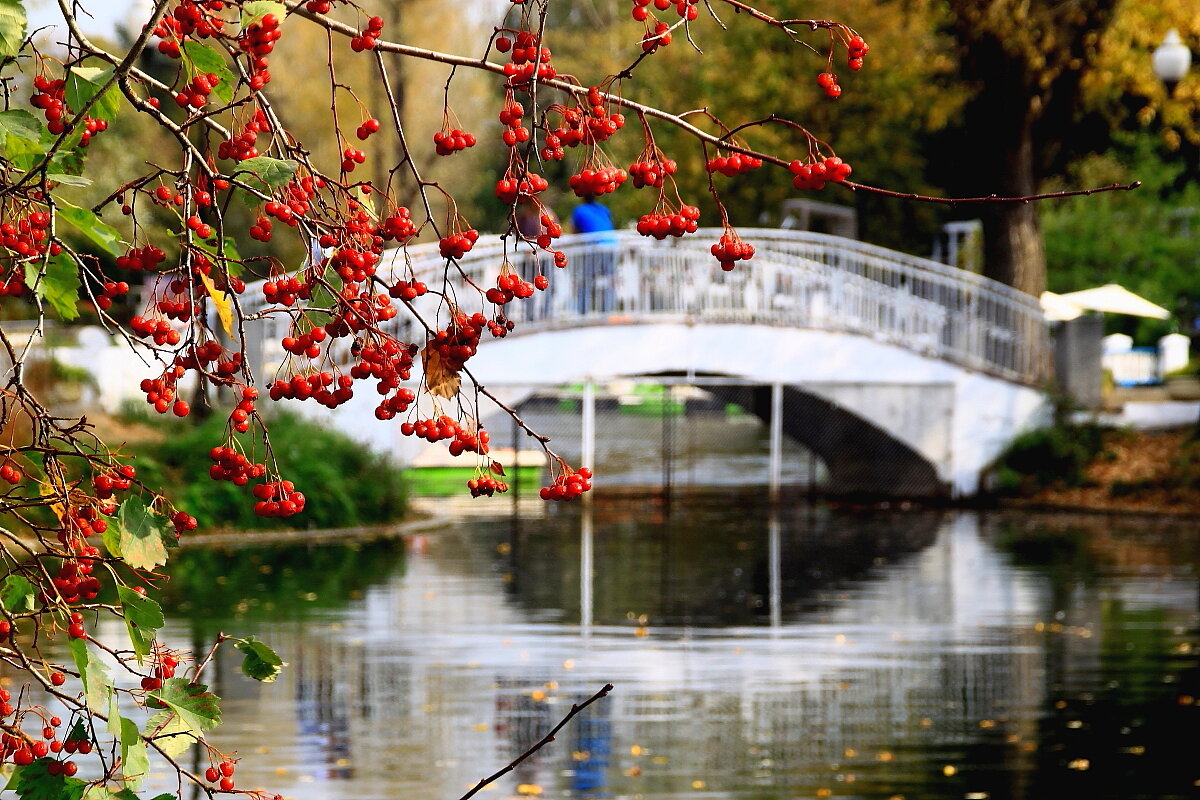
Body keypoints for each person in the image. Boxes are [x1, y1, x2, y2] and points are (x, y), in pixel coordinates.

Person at [571, 194, 618, 314]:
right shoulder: (603, 209)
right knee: (609, 279)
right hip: (612, 245)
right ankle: (608, 311)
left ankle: (583, 312)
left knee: (586, 279)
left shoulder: (579, 211)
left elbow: (575, 231)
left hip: (595, 247)